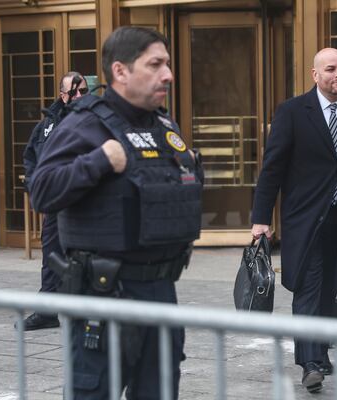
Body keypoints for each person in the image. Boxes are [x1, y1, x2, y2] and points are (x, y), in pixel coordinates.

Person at [30, 27, 203, 399]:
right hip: (106, 296)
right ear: (121, 71)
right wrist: (98, 161)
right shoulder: (85, 123)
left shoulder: (163, 125)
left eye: (167, 64)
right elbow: (42, 190)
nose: (168, 75)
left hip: (160, 292)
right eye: (155, 64)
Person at [250, 48, 337, 393]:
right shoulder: (293, 112)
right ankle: (309, 363)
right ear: (315, 75)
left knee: (332, 285)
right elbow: (272, 168)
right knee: (308, 284)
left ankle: (319, 348)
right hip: (304, 217)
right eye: (331, 69)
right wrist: (261, 218)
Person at [19, 72, 88, 331]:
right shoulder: (48, 123)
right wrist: (36, 187)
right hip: (55, 204)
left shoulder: (93, 120)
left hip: (82, 204)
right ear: (62, 95)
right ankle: (47, 312)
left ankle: (90, 313)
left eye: (84, 90)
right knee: (51, 258)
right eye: (75, 91)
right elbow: (31, 156)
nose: (81, 96)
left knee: (85, 259)